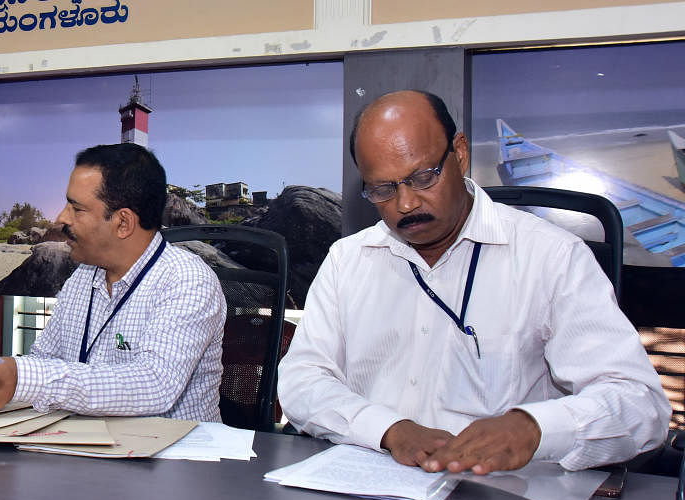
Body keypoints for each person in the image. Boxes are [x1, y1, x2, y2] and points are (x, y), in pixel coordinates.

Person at [277, 90, 670, 473]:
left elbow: (640, 404)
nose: (406, 204)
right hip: (371, 483)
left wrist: (535, 428)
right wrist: (387, 429)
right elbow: (303, 379)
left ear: (460, 153)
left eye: (422, 178)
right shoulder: (348, 259)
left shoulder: (551, 257)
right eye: (382, 189)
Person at [0, 143, 225, 421]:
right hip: (87, 451)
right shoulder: (83, 276)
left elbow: (153, 384)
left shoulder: (188, 280)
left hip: (175, 464)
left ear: (123, 222)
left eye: (76, 208)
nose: (60, 218)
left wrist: (17, 376)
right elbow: (44, 360)